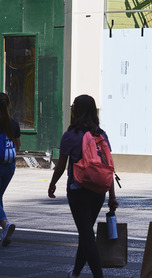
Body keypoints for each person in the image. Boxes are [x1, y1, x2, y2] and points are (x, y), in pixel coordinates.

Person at [48, 94, 119, 278]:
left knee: (86, 235)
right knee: (85, 233)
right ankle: (76, 273)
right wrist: (111, 195)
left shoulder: (70, 135)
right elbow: (108, 166)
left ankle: (98, 275)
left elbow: (62, 166)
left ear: (76, 111)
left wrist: (52, 184)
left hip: (78, 191)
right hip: (98, 191)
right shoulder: (101, 134)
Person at [0, 93, 21, 247]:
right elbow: (17, 145)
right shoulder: (13, 123)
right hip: (9, 166)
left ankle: (5, 224)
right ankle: (3, 229)